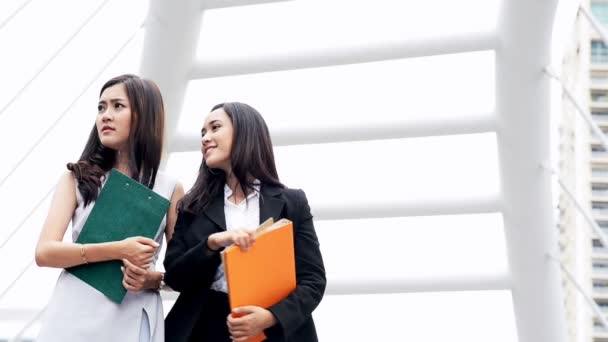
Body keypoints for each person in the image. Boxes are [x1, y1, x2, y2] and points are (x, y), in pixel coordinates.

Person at [35, 74, 184, 342]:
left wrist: (150, 279)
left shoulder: (170, 188)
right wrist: (118, 249)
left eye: (118, 106)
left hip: (133, 316)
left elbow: (180, 273)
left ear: (143, 115)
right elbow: (44, 252)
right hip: (74, 312)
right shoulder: (76, 179)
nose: (105, 115)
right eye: (101, 107)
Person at [163, 102, 326, 342]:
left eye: (214, 128)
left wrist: (269, 317)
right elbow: (175, 276)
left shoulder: (292, 202)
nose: (205, 138)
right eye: (202, 133)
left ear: (244, 131)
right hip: (205, 328)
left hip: (273, 328)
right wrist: (211, 245)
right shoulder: (192, 207)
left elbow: (313, 279)